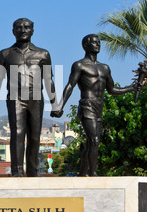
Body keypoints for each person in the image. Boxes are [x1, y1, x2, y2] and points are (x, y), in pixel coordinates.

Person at [0, 18, 60, 177]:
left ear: (32, 30)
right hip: (16, 97)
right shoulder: (4, 54)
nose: (23, 30)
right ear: (13, 31)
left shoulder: (43, 54)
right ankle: (17, 172)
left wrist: (55, 104)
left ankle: (33, 172)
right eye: (19, 27)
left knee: (34, 136)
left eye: (27, 27)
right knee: (17, 133)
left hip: (36, 97)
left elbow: (48, 80)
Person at [56, 34, 137, 177]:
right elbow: (70, 86)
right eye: (94, 42)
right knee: (95, 140)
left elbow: (112, 90)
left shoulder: (105, 68)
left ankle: (82, 173)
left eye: (99, 42)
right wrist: (60, 106)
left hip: (99, 107)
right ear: (85, 46)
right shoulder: (79, 65)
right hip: (87, 105)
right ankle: (93, 174)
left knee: (90, 143)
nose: (98, 44)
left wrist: (131, 88)